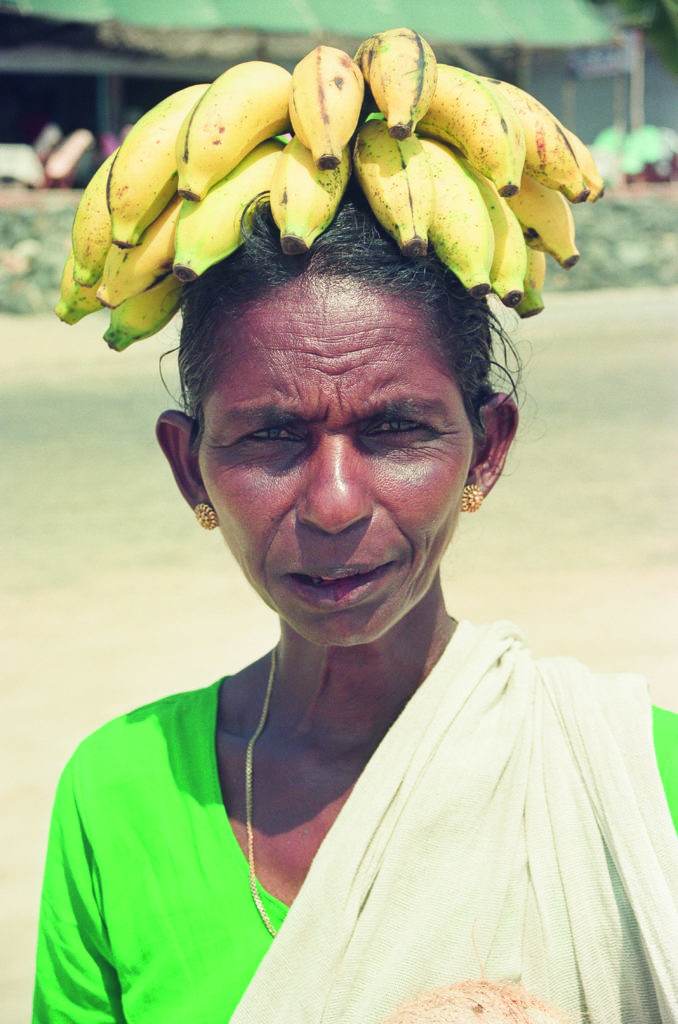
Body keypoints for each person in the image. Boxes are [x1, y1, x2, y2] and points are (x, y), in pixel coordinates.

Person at [32, 191, 678, 1024]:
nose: (334, 503)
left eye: (396, 429)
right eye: (271, 437)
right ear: (189, 467)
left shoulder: (639, 778)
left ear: (489, 450)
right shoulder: (121, 795)